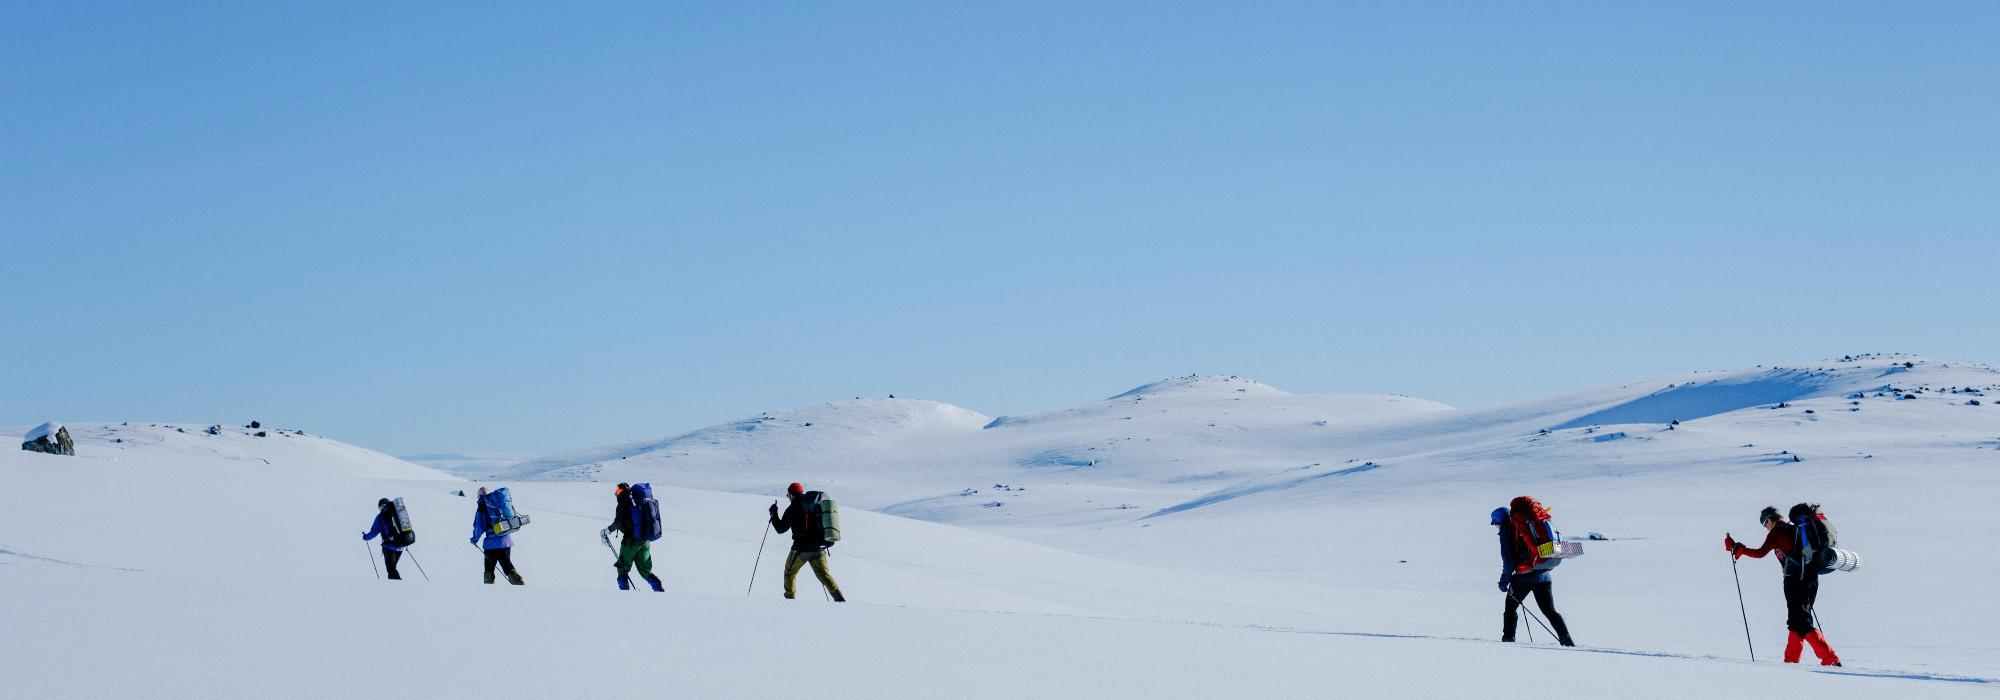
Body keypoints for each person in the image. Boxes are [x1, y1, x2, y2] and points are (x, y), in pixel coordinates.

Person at [1727, 506, 1841, 666]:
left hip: (1795, 581)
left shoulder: (1778, 531)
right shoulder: (1794, 529)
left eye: (1765, 524)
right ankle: (1790, 663)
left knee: (1802, 622)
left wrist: (1738, 549)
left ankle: (1831, 659)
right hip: (1811, 579)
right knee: (1796, 622)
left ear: (1769, 520)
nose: (1766, 528)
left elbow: (1760, 553)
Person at [1495, 499, 1575, 646]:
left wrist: (1503, 582)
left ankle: (1508, 641)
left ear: (1500, 521)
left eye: (1495, 524)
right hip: (1544, 575)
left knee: (1510, 608)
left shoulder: (1507, 530)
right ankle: (1567, 641)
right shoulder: (1526, 525)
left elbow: (1509, 561)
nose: (1496, 527)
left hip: (1524, 578)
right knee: (1550, 611)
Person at [769, 482, 845, 602]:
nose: (788, 497)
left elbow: (780, 528)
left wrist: (774, 514)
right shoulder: (815, 504)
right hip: (819, 548)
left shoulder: (793, 508)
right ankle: (839, 598)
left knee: (789, 573)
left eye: (788, 495)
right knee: (824, 575)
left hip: (801, 549)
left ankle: (789, 600)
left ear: (791, 495)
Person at [606, 483, 664, 592]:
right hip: (645, 541)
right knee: (645, 571)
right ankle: (659, 591)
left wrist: (608, 530)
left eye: (618, 490)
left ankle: (625, 596)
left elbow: (618, 521)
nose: (616, 493)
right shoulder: (637, 502)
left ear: (622, 491)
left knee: (622, 569)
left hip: (630, 542)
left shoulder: (624, 503)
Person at [470, 486, 525, 585]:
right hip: (506, 541)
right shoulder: (497, 503)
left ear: (479, 496)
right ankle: (519, 584)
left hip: (491, 545)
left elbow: (479, 526)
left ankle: (489, 593)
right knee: (507, 565)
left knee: (489, 570)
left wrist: (474, 539)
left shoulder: (482, 506)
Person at [361, 498, 405, 580]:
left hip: (389, 546)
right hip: (401, 545)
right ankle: (394, 587)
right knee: (392, 568)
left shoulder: (380, 517)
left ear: (381, 506)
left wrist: (366, 537)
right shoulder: (396, 513)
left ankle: (399, 588)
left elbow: (374, 532)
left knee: (391, 569)